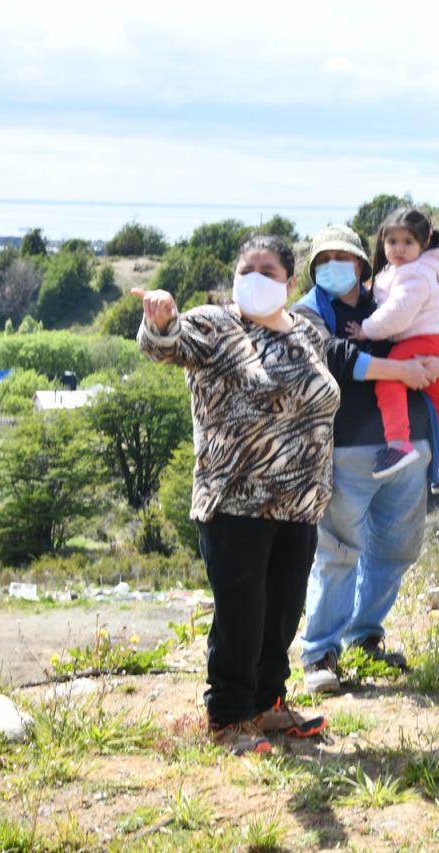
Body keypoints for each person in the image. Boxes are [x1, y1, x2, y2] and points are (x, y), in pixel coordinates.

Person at [133, 235, 339, 755]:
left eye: (269, 271)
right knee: (241, 614)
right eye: (248, 268)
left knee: (283, 611)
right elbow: (168, 344)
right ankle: (228, 718)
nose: (257, 278)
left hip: (301, 502)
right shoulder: (215, 325)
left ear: (290, 283)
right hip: (235, 500)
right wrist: (161, 320)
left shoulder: (309, 333)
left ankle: (269, 705)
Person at [294, 224, 439, 694]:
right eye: (322, 261)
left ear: (362, 266)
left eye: (341, 259)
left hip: (410, 447)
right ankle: (321, 651)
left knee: (398, 549)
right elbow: (333, 357)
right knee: (339, 551)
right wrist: (401, 370)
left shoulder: (391, 294)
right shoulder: (307, 313)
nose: (332, 268)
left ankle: (364, 634)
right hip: (344, 450)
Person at [346, 208, 439, 492]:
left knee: (388, 381)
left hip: (416, 341)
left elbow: (398, 314)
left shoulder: (414, 274)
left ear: (424, 243)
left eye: (407, 242)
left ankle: (399, 444)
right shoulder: (417, 269)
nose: (399, 249)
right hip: (432, 342)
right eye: (392, 242)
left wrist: (366, 329)